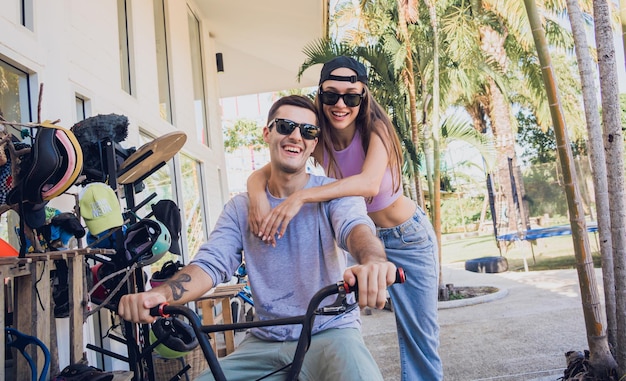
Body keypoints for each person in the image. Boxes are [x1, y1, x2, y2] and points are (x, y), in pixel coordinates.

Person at [117, 95, 398, 381]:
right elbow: (213, 262)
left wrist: (372, 261)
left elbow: (356, 229)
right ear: (267, 133)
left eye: (308, 131)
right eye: (286, 126)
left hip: (331, 333)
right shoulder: (241, 208)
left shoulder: (333, 195)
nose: (296, 136)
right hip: (264, 342)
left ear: (314, 143)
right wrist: (160, 294)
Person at [247, 56, 443, 381]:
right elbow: (264, 171)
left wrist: (302, 196)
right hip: (359, 238)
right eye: (331, 95)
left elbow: (368, 184)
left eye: (351, 96)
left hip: (407, 237)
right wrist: (256, 199)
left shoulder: (375, 128)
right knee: (346, 332)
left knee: (419, 339)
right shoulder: (316, 137)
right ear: (320, 96)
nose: (341, 104)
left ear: (363, 97)